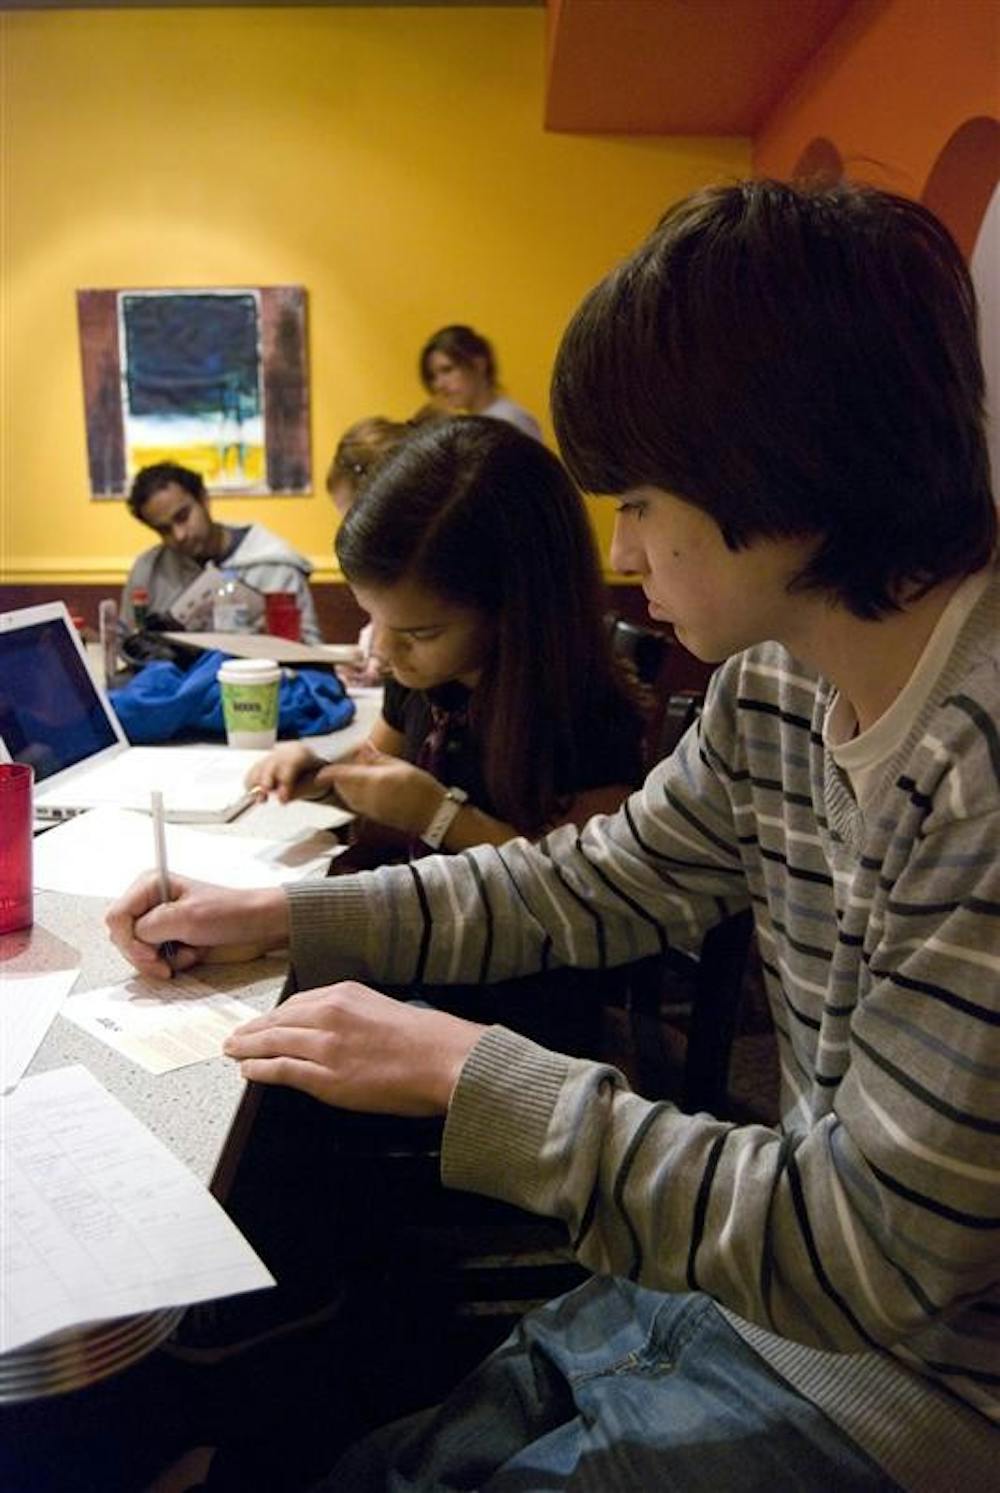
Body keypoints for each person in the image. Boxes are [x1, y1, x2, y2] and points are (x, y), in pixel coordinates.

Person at [108, 179, 1000, 1491]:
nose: (621, 550)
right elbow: (593, 880)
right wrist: (288, 916)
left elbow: (875, 1254)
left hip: (926, 1387)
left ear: (779, 470)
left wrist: (467, 1072)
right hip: (760, 1293)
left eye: (636, 499)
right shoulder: (776, 683)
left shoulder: (977, 762)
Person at [248, 415, 643, 861]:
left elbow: (584, 877)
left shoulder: (588, 710)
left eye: (419, 633)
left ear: (514, 608)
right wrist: (322, 778)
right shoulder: (423, 677)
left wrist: (438, 815)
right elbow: (377, 779)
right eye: (374, 618)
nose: (383, 650)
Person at [121, 461, 323, 643]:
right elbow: (128, 642)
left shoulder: (274, 567)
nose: (179, 535)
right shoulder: (148, 571)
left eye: (182, 517)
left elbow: (312, 650)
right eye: (164, 530)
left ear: (204, 499)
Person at [419, 324, 544, 442]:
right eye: (432, 377)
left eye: (447, 370)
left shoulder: (511, 421)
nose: (439, 384)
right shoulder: (469, 426)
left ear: (479, 364)